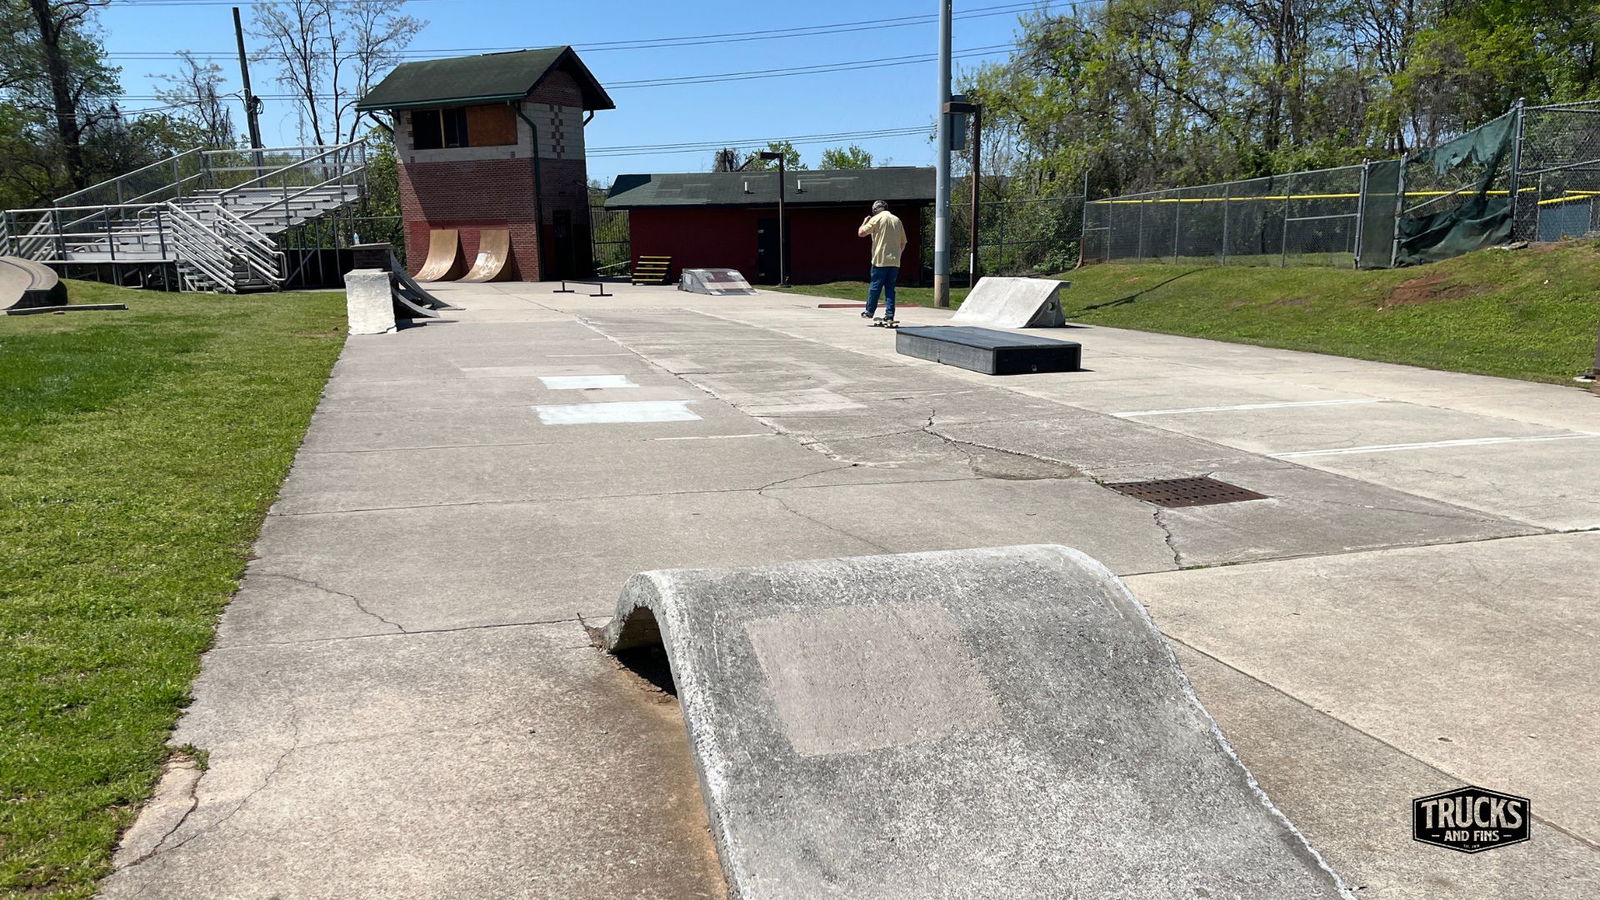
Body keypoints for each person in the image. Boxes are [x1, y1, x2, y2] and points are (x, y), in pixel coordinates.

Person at [857, 199, 907, 324]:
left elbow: (861, 233)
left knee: (875, 286)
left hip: (880, 259)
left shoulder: (876, 219)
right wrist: (898, 255)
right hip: (894, 261)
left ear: (875, 210)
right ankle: (889, 315)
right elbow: (903, 242)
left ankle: (869, 311)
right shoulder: (897, 220)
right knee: (890, 288)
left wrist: (864, 222)